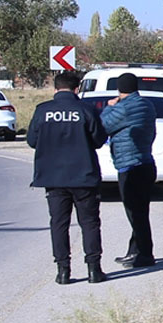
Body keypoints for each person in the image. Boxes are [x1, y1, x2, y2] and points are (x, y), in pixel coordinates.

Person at [26, 70, 108, 284]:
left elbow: (32, 141)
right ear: (77, 88)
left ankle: (63, 271)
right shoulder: (86, 110)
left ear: (55, 88)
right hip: (84, 176)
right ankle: (93, 269)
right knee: (89, 223)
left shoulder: (42, 110)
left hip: (53, 177)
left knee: (59, 224)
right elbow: (99, 140)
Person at [101, 73, 157, 268]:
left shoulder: (122, 108)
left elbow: (103, 126)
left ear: (119, 89)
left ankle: (145, 255)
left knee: (135, 213)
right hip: (146, 162)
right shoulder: (147, 105)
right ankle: (135, 250)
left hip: (129, 165)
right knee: (141, 211)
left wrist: (109, 107)